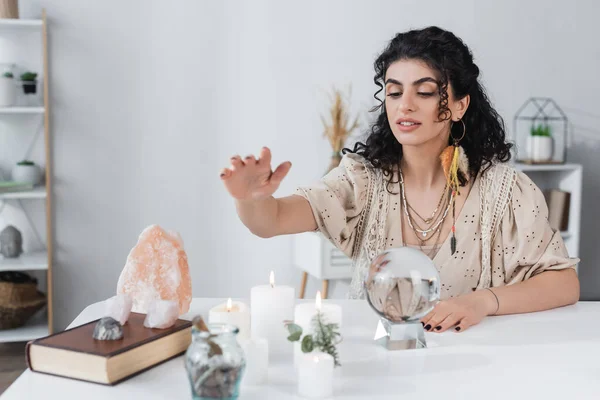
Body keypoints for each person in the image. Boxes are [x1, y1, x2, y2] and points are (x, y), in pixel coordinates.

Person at [219, 26, 580, 333]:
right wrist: (252, 199)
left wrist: (482, 303)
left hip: (479, 368)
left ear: (459, 105)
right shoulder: (361, 181)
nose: (404, 104)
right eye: (394, 91)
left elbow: (564, 283)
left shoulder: (505, 191)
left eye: (424, 92)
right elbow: (273, 220)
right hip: (380, 368)